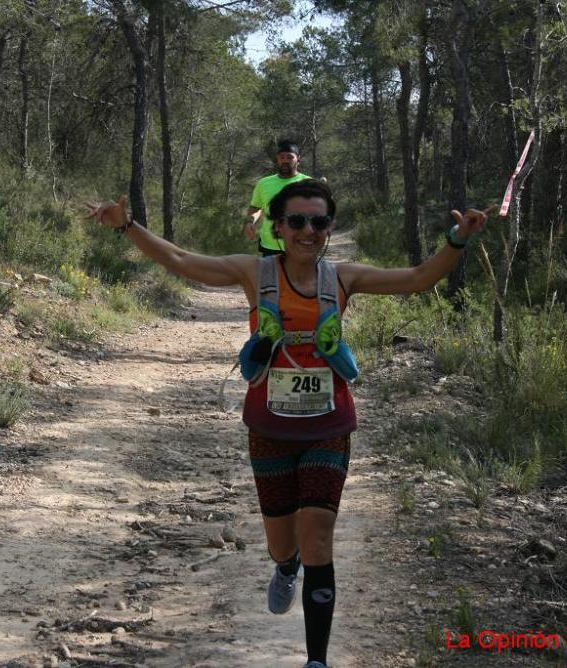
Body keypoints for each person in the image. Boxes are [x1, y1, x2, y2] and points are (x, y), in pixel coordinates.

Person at [88, 180, 490, 668]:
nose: (308, 231)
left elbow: (419, 278)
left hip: (329, 426)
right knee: (285, 542)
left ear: (328, 229)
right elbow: (180, 260)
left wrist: (459, 239)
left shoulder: (342, 278)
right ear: (277, 227)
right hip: (270, 429)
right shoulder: (253, 273)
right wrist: (127, 226)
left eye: (318, 222)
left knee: (318, 537)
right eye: (297, 221)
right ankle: (285, 566)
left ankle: (316, 660)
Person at [246, 140, 311, 256]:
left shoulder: (309, 183)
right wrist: (250, 222)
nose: (285, 160)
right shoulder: (263, 183)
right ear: (277, 159)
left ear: (298, 159)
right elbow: (256, 207)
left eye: (290, 157)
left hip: (299, 245)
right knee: (269, 275)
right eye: (282, 157)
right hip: (269, 246)